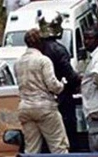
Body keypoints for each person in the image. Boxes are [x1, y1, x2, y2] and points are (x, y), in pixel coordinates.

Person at [14, 28, 68, 154]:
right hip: (44, 107)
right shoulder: (43, 60)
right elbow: (52, 85)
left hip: (25, 107)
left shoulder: (18, 62)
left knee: (31, 148)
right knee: (58, 145)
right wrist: (62, 84)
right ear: (40, 42)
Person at [38, 12, 81, 149]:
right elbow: (69, 75)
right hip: (61, 97)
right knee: (66, 135)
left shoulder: (37, 50)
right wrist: (77, 81)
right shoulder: (59, 50)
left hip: (41, 99)